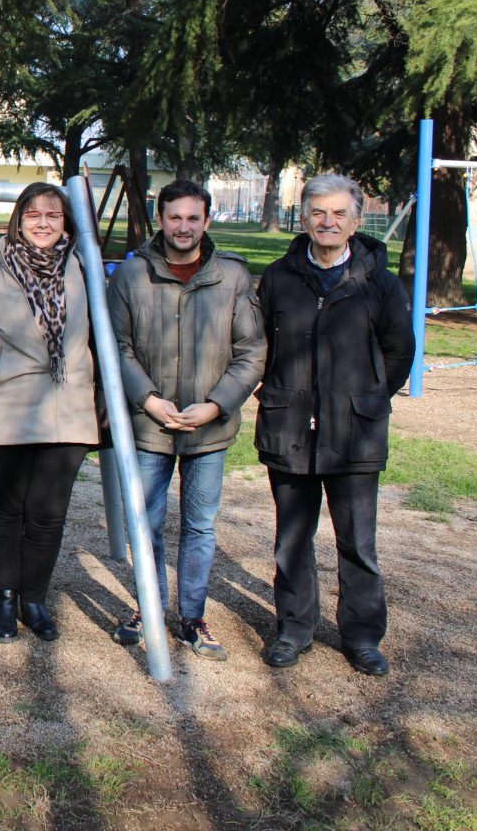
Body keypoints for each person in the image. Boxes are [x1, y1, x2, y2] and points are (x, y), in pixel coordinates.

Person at [255, 174, 414, 676]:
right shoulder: (279, 277)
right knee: (292, 540)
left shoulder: (379, 283)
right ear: (304, 218)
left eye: (339, 214)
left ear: (356, 221)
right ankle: (295, 628)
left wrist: (362, 399)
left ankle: (362, 636)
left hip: (355, 433)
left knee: (358, 542)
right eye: (318, 213)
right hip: (290, 429)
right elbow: (258, 348)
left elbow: (398, 352)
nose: (328, 222)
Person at [105, 179, 266, 661]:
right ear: (161, 220)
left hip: (209, 426)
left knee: (199, 525)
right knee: (146, 521)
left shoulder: (232, 277)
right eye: (174, 217)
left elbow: (251, 351)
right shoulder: (132, 277)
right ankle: (147, 606)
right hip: (150, 424)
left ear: (207, 221)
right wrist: (149, 400)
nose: (183, 226)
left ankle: (192, 616)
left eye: (193, 218)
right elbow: (116, 346)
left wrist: (216, 405)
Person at [0, 182, 99, 643]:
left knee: (48, 512)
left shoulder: (83, 267)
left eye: (53, 215)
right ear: (19, 219)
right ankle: (6, 598)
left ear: (67, 223)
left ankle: (35, 599)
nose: (43, 223)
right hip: (4, 407)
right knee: (7, 509)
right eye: (33, 214)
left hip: (67, 407)